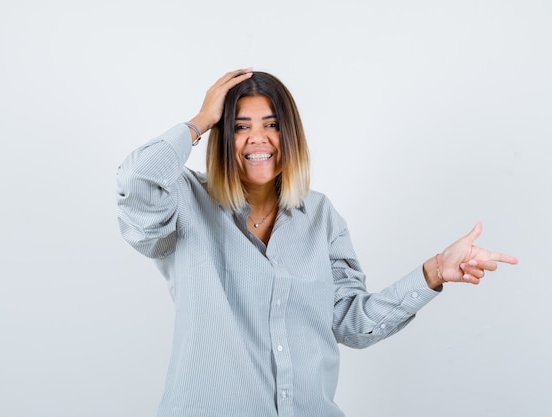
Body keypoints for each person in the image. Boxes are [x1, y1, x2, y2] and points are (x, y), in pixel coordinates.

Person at [116, 68, 518, 417]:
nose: (258, 139)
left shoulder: (321, 217)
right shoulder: (185, 201)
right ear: (222, 135)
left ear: (288, 135)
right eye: (240, 126)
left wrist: (432, 272)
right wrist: (200, 120)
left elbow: (352, 323)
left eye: (271, 124)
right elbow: (135, 182)